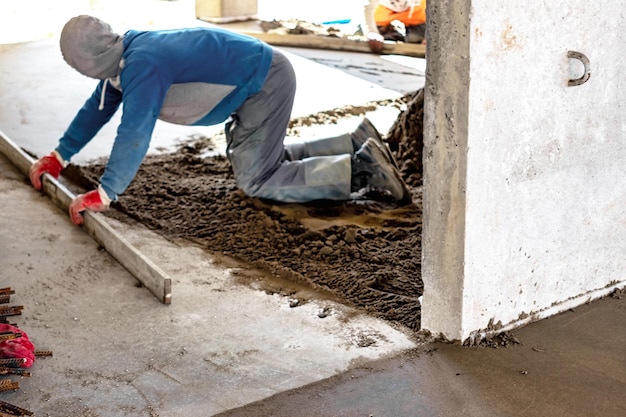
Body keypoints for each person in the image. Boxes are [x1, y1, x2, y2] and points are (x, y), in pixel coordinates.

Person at [29, 15, 410, 225]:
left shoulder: (141, 66)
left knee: (258, 178)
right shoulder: (125, 55)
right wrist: (59, 156)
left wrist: (106, 192)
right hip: (260, 75)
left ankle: (361, 170)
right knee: (264, 159)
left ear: (88, 62)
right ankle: (353, 143)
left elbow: (135, 131)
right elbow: (97, 109)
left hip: (263, 83)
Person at [362, 0, 427, 53]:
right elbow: (367, 6)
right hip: (381, 18)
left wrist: (430, 37)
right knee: (368, 40)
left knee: (417, 38)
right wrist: (372, 32)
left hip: (417, 18)